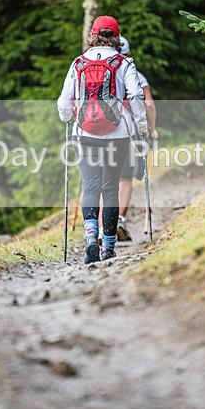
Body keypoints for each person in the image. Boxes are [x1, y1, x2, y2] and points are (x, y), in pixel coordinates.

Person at [58, 16, 148, 263]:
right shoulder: (124, 63)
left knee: (90, 186)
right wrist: (142, 126)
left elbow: (64, 102)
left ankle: (91, 238)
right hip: (118, 134)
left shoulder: (78, 63)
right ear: (116, 37)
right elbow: (136, 96)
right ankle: (108, 246)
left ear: (93, 35)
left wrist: (67, 117)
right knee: (110, 188)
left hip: (85, 133)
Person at [116, 36, 157, 241]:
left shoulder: (104, 74)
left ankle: (99, 225)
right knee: (125, 179)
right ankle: (119, 219)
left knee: (105, 178)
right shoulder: (137, 75)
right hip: (130, 132)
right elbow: (148, 104)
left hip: (100, 131)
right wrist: (152, 129)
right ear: (129, 54)